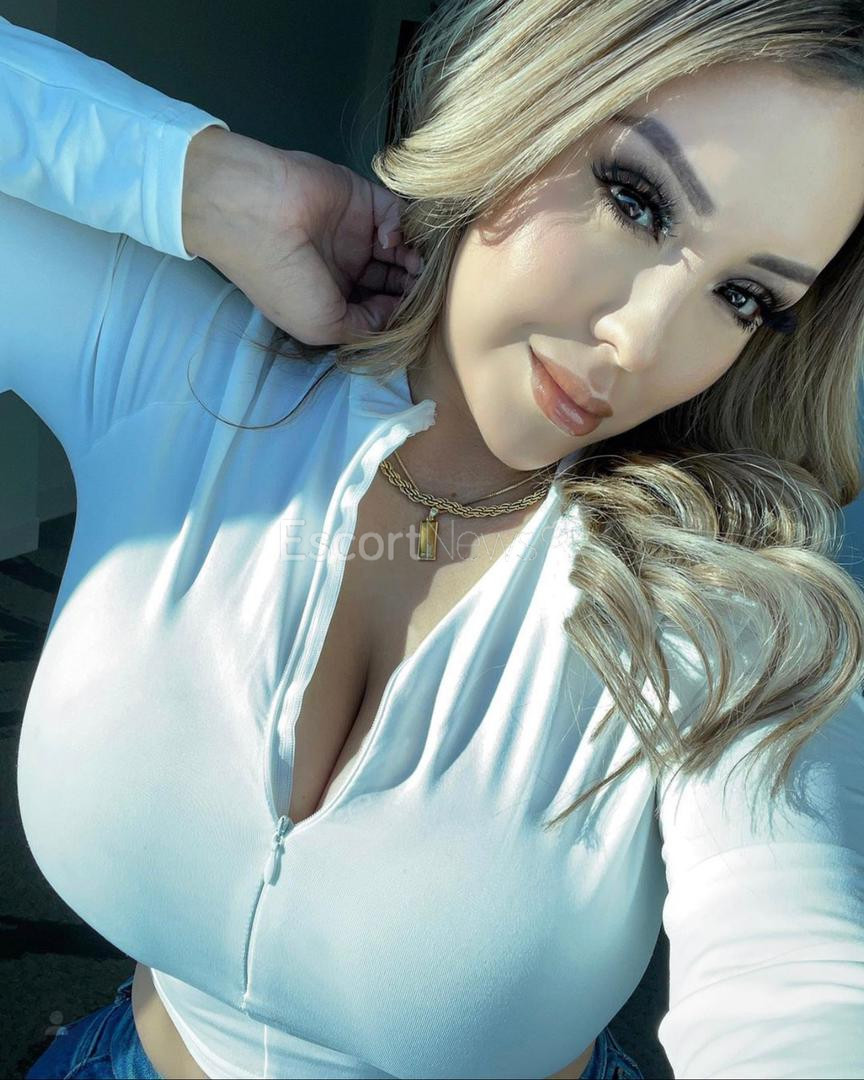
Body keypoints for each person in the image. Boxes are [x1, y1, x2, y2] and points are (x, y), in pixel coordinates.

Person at [7, 1, 864, 1078]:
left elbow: (792, 982)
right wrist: (207, 181)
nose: (640, 341)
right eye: (636, 199)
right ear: (519, 103)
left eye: (743, 296)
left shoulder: (729, 610)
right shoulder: (176, 364)